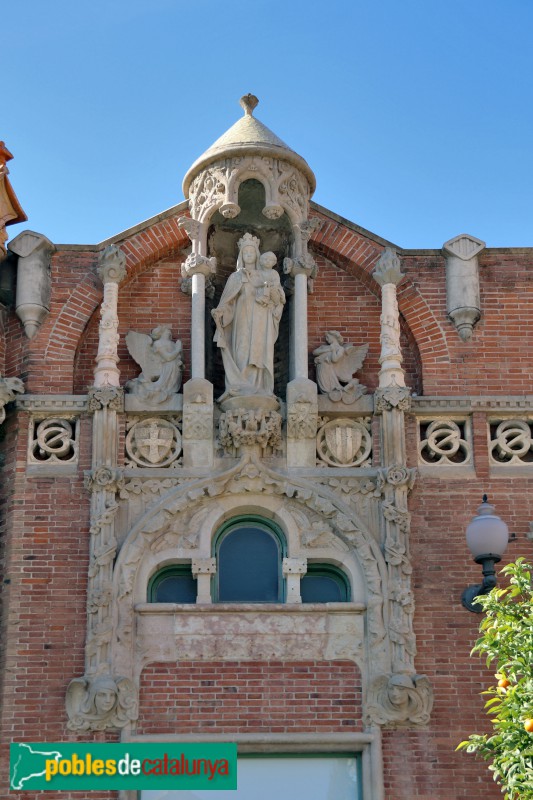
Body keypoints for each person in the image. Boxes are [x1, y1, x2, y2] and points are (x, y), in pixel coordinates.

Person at [212, 234, 285, 400]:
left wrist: (272, 296)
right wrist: (220, 311)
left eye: (252, 251)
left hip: (261, 317)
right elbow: (227, 301)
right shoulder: (236, 276)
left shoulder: (265, 275)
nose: (249, 255)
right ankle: (239, 385)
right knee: (242, 349)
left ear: (257, 254)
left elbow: (278, 297)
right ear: (241, 256)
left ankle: (260, 387)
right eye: (245, 252)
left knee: (259, 350)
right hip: (242, 318)